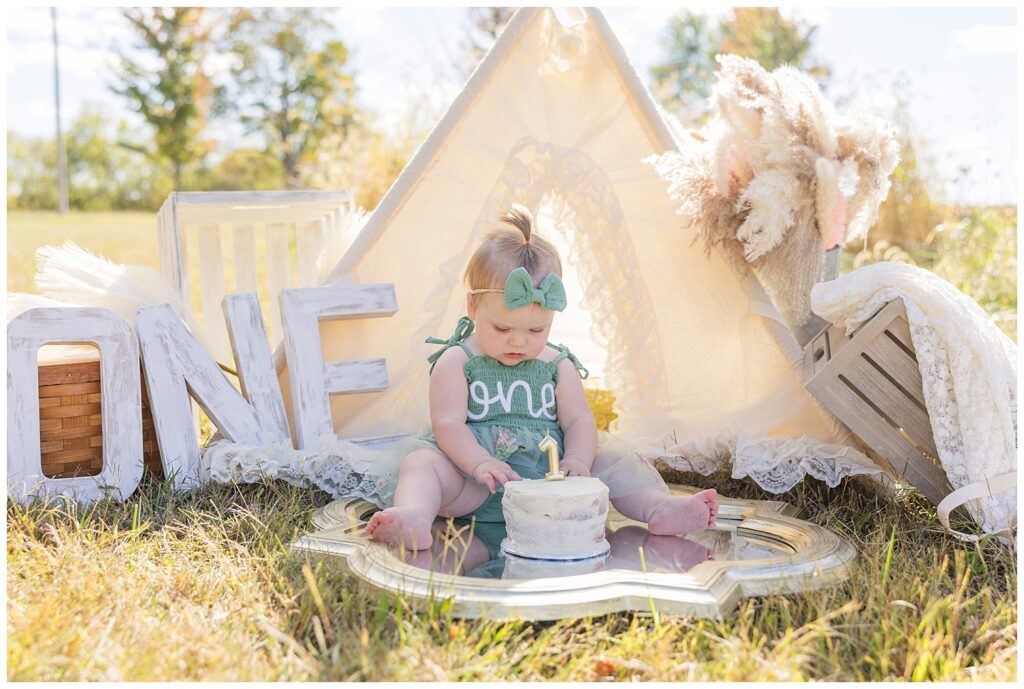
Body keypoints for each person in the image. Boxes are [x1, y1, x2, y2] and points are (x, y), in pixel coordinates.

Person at [366, 205, 718, 551]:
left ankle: (659, 507)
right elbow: (447, 423)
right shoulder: (458, 360)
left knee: (612, 462)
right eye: (502, 328)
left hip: (551, 482)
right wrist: (480, 463)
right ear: (473, 307)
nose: (519, 341)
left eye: (536, 329)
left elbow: (579, 418)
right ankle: (415, 515)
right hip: (474, 484)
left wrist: (578, 460)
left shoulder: (557, 364)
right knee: (422, 464)